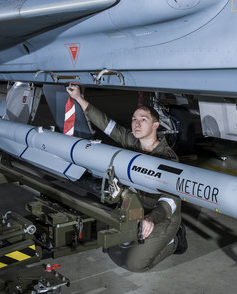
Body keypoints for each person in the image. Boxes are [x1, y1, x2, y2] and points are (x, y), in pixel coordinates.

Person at [66, 84, 187, 272]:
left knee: (135, 265)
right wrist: (79, 98)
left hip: (160, 216)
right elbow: (107, 124)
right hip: (135, 208)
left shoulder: (168, 158)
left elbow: (171, 200)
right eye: (134, 119)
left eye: (143, 120)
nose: (136, 124)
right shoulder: (131, 141)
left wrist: (152, 219)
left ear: (156, 125)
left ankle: (174, 240)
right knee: (106, 242)